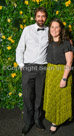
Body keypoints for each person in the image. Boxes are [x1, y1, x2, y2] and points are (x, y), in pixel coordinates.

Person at [16, 7, 48, 135]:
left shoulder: (49, 30)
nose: (41, 18)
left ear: (46, 18)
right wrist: (21, 64)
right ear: (35, 17)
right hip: (28, 68)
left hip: (42, 69)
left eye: (43, 16)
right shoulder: (27, 30)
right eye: (38, 16)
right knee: (28, 96)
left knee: (39, 97)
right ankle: (28, 122)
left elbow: (59, 39)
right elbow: (20, 48)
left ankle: (37, 120)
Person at [43, 18, 74, 134]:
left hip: (62, 73)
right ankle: (53, 118)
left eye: (57, 27)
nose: (54, 29)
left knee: (59, 98)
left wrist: (64, 78)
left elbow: (69, 63)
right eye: (52, 27)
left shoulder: (66, 43)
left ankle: (55, 122)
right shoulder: (50, 42)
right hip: (51, 73)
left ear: (61, 29)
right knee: (52, 97)